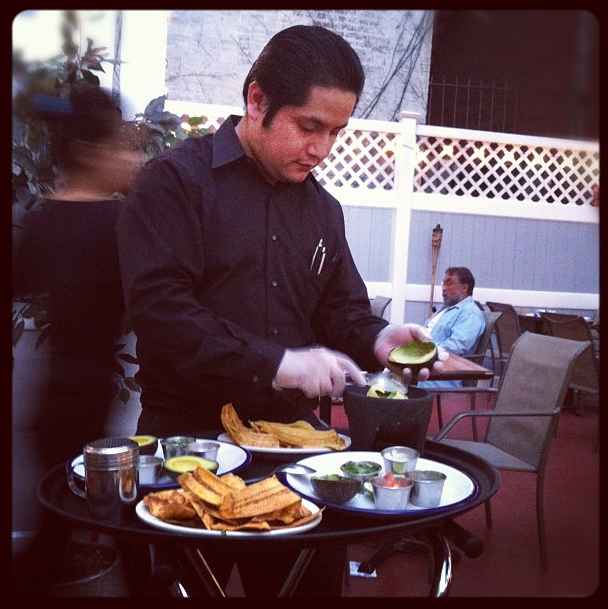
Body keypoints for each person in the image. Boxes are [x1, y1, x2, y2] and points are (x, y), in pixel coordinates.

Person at [116, 24, 441, 597]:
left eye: (337, 131)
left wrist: (380, 337)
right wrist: (277, 362)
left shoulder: (323, 209)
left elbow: (340, 311)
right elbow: (163, 316)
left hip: (299, 454)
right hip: (188, 446)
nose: (323, 149)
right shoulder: (174, 184)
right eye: (309, 127)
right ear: (257, 100)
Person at [12, 86, 145, 594]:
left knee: (58, 532)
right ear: (91, 152)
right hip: (86, 418)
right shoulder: (115, 225)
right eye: (124, 146)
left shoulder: (44, 221)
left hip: (52, 410)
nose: (133, 159)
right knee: (122, 527)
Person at [417, 266, 485, 390]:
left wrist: (424, 354)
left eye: (449, 284)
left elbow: (457, 345)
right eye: (443, 284)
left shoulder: (470, 313)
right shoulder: (446, 308)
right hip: (423, 361)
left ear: (464, 288)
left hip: (439, 370)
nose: (443, 289)